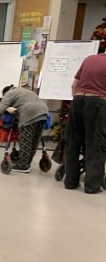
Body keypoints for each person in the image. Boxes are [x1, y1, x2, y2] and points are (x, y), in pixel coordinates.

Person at [65, 25, 106, 194]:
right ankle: (91, 185)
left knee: (73, 141)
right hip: (98, 103)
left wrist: (77, 102)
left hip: (78, 100)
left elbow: (74, 84)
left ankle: (70, 181)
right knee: (95, 143)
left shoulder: (90, 58)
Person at [0, 85, 49, 173]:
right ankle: (27, 164)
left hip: (29, 114)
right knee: (34, 141)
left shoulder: (9, 93)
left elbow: (0, 110)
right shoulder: (25, 91)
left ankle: (23, 166)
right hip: (43, 113)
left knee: (25, 141)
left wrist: (1, 117)